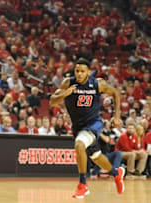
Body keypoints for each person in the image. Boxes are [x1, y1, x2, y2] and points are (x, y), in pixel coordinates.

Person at [50, 58, 125, 199]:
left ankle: (82, 185)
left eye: (82, 71)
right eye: (77, 71)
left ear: (88, 72)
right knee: (96, 157)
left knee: (79, 144)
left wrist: (116, 116)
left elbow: (115, 92)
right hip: (78, 127)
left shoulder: (97, 84)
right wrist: (63, 95)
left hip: (94, 124)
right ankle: (116, 173)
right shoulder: (68, 83)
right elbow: (52, 101)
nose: (79, 74)